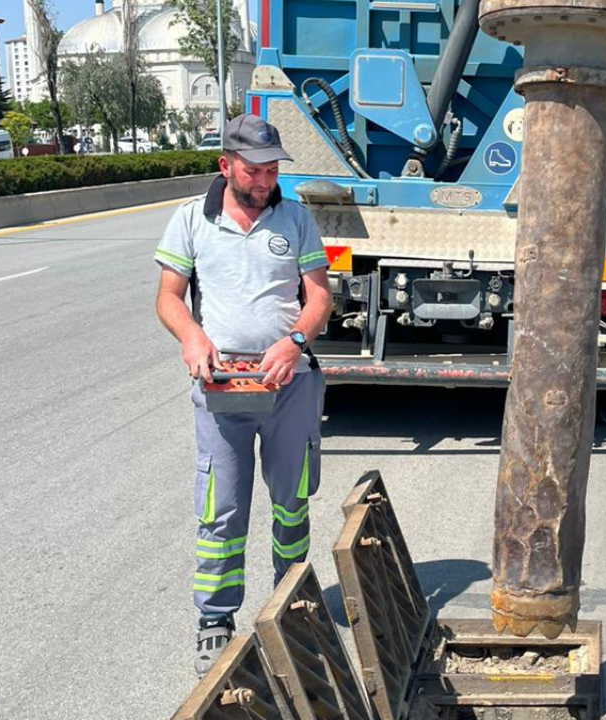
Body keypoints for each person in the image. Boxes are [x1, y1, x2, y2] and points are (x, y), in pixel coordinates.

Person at [153, 114, 333, 675]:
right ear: (225, 165)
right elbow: (168, 297)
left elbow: (319, 297)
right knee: (221, 508)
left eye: (272, 169)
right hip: (222, 384)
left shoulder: (296, 218)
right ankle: (215, 618)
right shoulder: (191, 219)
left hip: (289, 384)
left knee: (292, 501)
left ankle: (292, 606)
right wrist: (191, 336)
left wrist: (295, 342)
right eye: (254, 170)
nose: (264, 180)